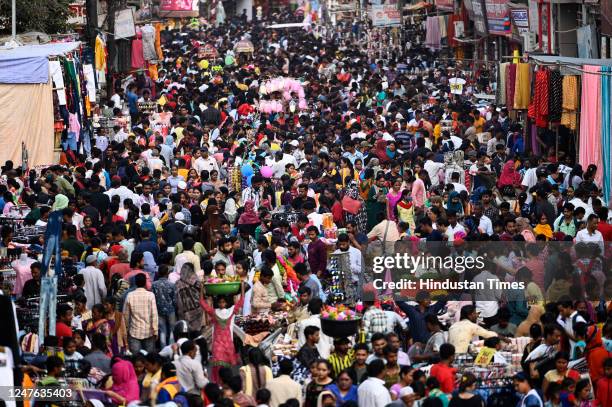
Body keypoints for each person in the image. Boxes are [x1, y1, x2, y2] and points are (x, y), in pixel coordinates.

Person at [200, 281, 245, 383]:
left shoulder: (224, 311)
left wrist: (242, 287)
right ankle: (218, 382)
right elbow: (202, 303)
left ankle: (223, 383)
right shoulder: (217, 312)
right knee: (218, 365)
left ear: (227, 303)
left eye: (223, 302)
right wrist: (202, 289)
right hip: (220, 342)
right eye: (220, 302)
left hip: (226, 343)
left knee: (224, 366)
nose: (221, 304)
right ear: (217, 303)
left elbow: (241, 301)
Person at [123, 273, 158, 354]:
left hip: (134, 332)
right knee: (149, 359)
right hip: (149, 332)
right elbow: (154, 314)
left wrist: (127, 329)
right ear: (145, 282)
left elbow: (126, 315)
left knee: (136, 359)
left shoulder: (130, 296)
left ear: (135, 282)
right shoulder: (150, 295)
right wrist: (155, 331)